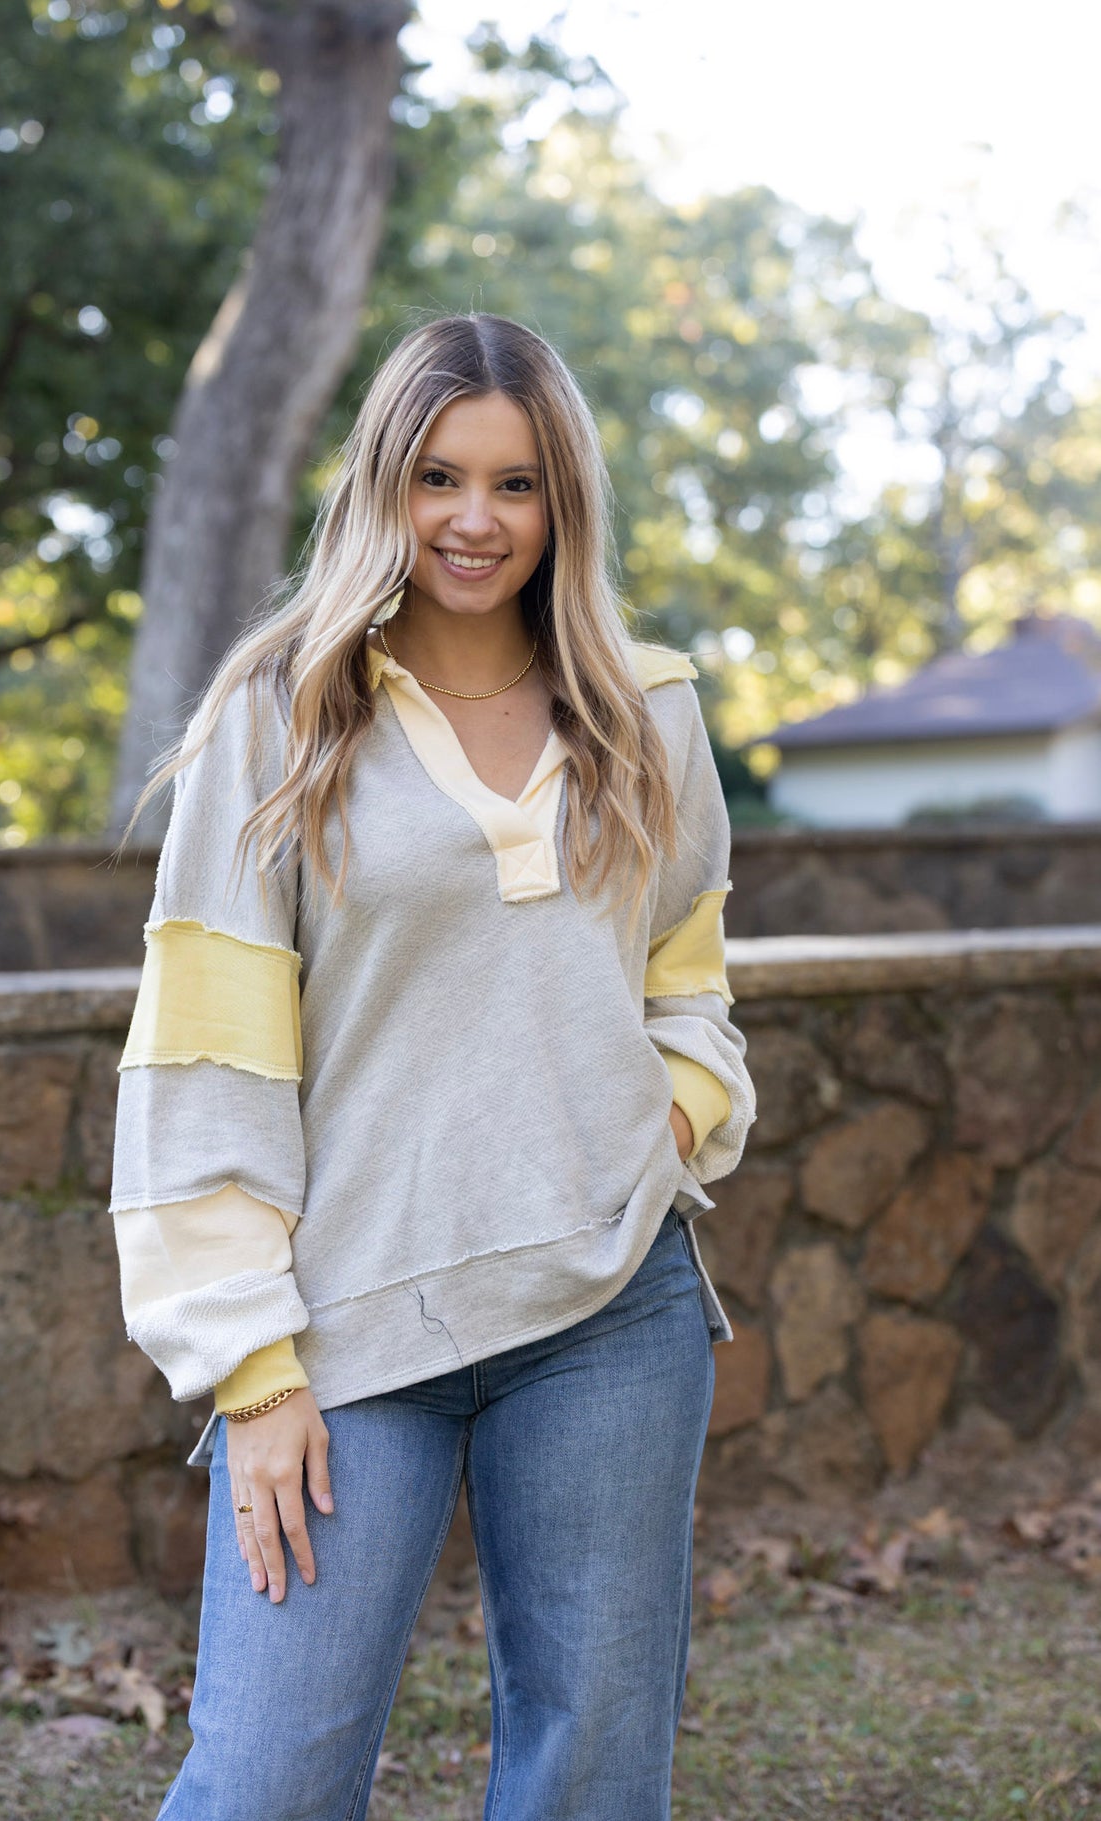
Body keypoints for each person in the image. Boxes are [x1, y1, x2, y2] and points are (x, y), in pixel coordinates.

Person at [110, 311, 756, 1821]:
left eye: (517, 484)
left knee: (592, 1768)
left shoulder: (647, 714)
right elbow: (202, 1062)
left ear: (563, 500)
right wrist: (250, 1367)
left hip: (610, 1306)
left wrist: (666, 1117)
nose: (476, 520)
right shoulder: (277, 717)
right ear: (381, 484)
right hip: (345, 1332)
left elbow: (690, 982)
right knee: (268, 1776)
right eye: (439, 477)